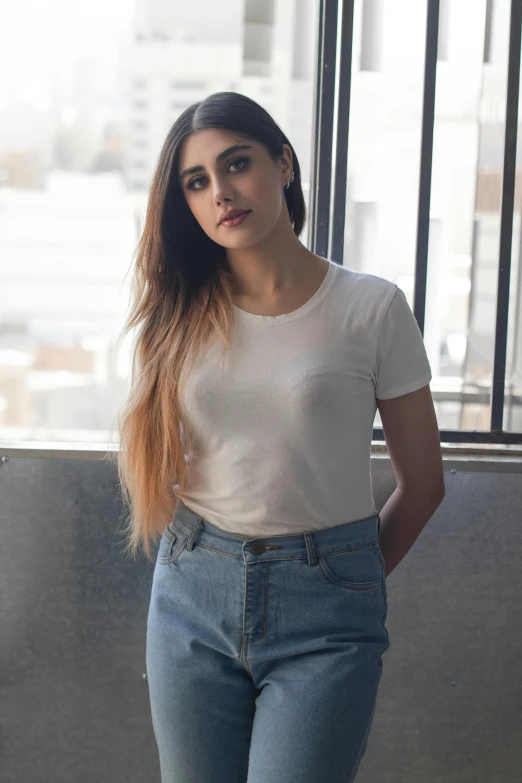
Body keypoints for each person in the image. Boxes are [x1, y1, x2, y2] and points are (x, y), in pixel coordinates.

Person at [112, 91, 445, 782]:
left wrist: (338, 577)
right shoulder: (179, 312)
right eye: (197, 182)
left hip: (326, 610)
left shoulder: (371, 306)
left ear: (284, 164)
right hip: (191, 593)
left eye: (237, 164)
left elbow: (424, 484)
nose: (221, 193)